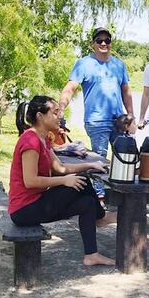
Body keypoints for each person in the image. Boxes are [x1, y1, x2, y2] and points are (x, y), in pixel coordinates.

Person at [8, 96, 117, 267]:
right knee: (82, 183)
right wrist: (64, 181)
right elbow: (30, 181)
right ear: (40, 116)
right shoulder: (30, 141)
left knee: (86, 202)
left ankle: (91, 255)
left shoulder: (43, 139)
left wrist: (90, 164)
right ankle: (101, 218)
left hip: (36, 202)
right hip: (24, 209)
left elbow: (60, 168)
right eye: (55, 112)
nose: (60, 116)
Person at [59, 27, 133, 197]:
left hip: (119, 120)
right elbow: (70, 88)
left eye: (107, 40)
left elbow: (126, 92)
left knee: (124, 156)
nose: (103, 43)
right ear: (92, 44)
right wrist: (61, 107)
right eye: (99, 40)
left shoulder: (119, 64)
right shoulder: (83, 63)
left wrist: (131, 116)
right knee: (99, 159)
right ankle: (99, 198)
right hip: (96, 120)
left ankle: (120, 194)